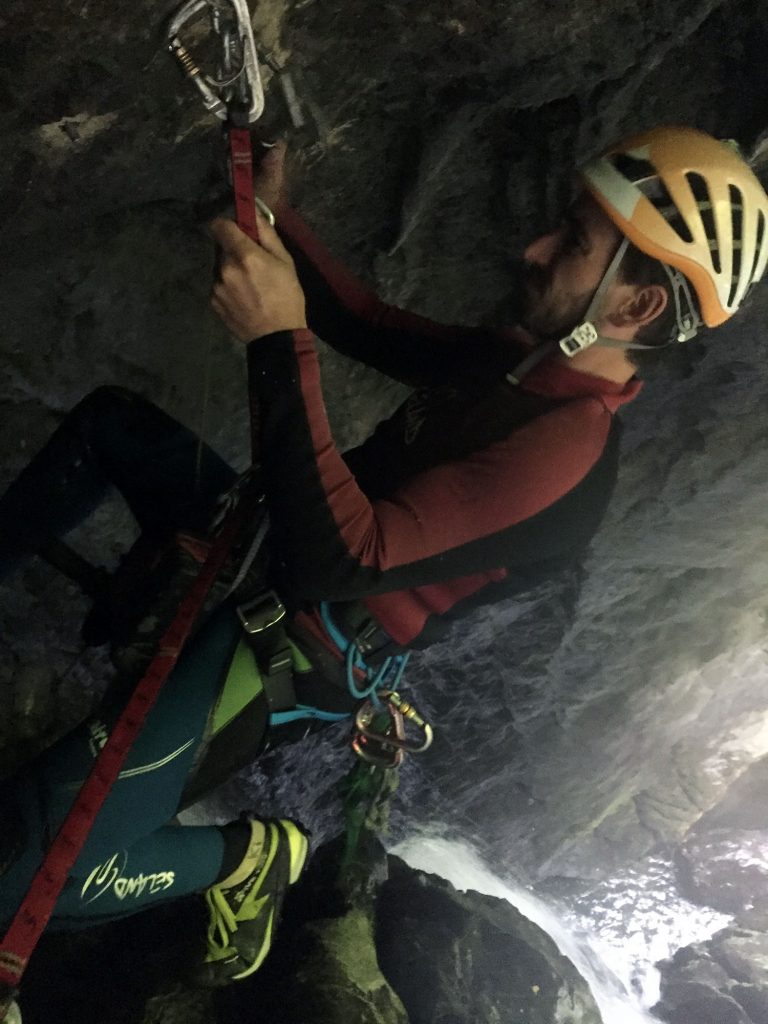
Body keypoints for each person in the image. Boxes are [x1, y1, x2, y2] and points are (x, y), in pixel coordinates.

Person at [0, 125, 766, 991]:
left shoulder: (564, 453)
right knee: (112, 424)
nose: (537, 249)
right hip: (267, 536)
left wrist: (276, 339)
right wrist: (279, 220)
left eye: (576, 245)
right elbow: (365, 324)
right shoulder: (520, 367)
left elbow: (347, 559)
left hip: (290, 638)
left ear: (634, 308)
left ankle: (247, 856)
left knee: (22, 878)